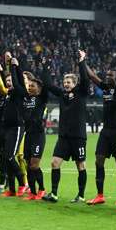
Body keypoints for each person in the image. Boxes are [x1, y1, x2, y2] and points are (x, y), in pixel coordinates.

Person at [41, 50, 90, 203]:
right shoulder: (62, 94)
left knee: (80, 165)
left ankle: (81, 195)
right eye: (65, 82)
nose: (66, 84)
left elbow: (86, 81)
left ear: (75, 84)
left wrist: (81, 62)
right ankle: (54, 194)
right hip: (63, 137)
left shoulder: (81, 93)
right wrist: (45, 67)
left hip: (78, 137)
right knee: (54, 163)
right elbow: (48, 84)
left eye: (69, 82)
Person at [85, 54, 116, 206]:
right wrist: (83, 60)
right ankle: (100, 195)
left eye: (111, 75)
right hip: (106, 132)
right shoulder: (105, 88)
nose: (108, 77)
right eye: (107, 75)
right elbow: (91, 76)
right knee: (98, 160)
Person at [0, 54, 28, 197]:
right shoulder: (9, 93)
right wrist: (6, 65)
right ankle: (12, 189)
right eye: (7, 81)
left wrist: (14, 65)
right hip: (7, 128)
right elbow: (4, 83)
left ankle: (22, 184)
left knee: (10, 157)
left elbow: (18, 80)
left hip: (17, 127)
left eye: (10, 81)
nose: (8, 83)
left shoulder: (19, 92)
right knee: (5, 157)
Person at [21, 59, 49, 201]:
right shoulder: (25, 98)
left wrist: (44, 66)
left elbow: (45, 82)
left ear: (39, 88)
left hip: (38, 136)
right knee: (27, 163)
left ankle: (42, 189)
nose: (30, 88)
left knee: (34, 164)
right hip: (29, 135)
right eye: (29, 86)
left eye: (33, 86)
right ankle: (32, 192)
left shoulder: (41, 98)